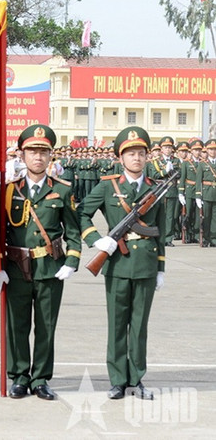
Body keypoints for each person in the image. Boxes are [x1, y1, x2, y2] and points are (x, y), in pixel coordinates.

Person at [0, 124, 81, 401]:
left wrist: (71, 261)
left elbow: (74, 232)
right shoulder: (8, 190)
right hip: (16, 267)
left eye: (43, 152)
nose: (38, 157)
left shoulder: (63, 190)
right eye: (32, 151)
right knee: (17, 325)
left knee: (45, 326)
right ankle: (19, 376)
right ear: (22, 155)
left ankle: (41, 378)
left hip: (49, 269)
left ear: (51, 156)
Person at [80, 126, 165, 400]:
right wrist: (96, 240)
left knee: (139, 326)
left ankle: (136, 379)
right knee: (117, 324)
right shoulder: (108, 185)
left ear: (147, 157)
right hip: (117, 264)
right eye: (131, 154)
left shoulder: (155, 188)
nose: (137, 158)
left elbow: (160, 230)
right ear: (120, 157)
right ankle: (117, 380)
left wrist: (161, 267)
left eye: (141, 153)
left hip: (146, 266)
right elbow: (82, 213)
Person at [196, 138, 216, 247]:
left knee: (215, 218)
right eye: (211, 149)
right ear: (207, 151)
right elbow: (198, 180)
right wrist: (198, 195)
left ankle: (213, 239)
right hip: (207, 193)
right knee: (206, 218)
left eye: (214, 149)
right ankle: (205, 238)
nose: (213, 151)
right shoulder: (202, 164)